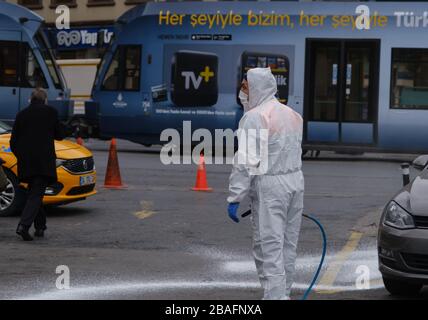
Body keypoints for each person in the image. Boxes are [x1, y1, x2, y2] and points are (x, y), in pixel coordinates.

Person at [227, 68, 304, 300]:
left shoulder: (255, 117)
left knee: (268, 247)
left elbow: (245, 161)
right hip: (295, 183)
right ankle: (284, 294)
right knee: (287, 246)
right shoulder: (292, 114)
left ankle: (275, 297)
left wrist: (234, 197)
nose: (242, 91)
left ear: (257, 87)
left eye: (246, 87)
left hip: (271, 186)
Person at [11, 88, 66, 241]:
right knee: (36, 194)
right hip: (44, 163)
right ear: (45, 100)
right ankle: (23, 225)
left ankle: (40, 227)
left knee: (34, 193)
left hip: (26, 163)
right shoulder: (51, 112)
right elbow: (60, 135)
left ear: (31, 99)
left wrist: (22, 156)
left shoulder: (21, 115)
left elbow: (13, 142)